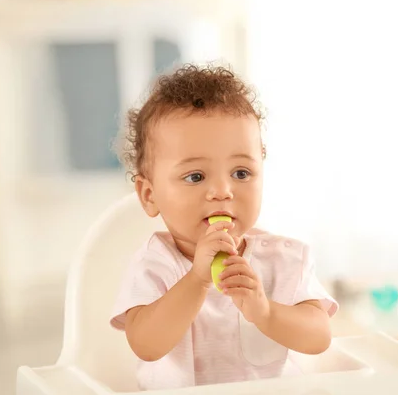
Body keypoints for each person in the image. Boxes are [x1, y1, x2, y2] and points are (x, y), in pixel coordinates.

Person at [110, 64, 338, 390]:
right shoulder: (155, 263)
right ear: (150, 195)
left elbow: (319, 338)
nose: (223, 191)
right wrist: (196, 280)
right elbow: (145, 345)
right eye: (196, 176)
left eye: (241, 173)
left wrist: (265, 312)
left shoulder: (285, 258)